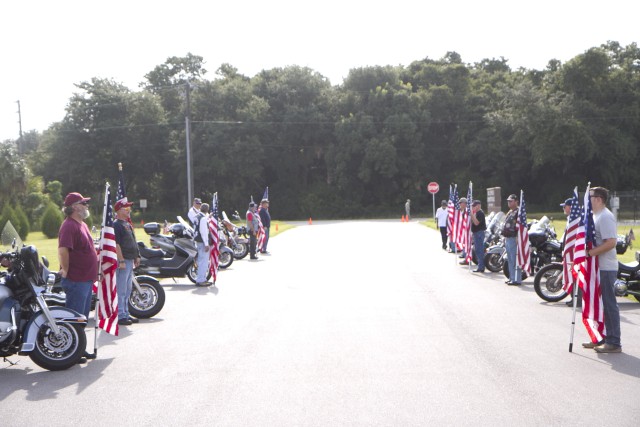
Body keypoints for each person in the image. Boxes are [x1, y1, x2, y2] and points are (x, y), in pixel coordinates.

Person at [58, 192, 98, 363]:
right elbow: (63, 250)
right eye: (83, 203)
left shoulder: (82, 224)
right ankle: (72, 352)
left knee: (81, 318)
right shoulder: (69, 226)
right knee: (75, 318)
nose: (86, 206)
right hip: (76, 279)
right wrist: (65, 269)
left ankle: (79, 349)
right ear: (74, 207)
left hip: (86, 279)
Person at [585, 187, 622, 353]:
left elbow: (611, 242)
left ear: (598, 199)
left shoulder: (605, 216)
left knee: (608, 304)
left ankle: (614, 342)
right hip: (596, 268)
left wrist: (589, 253)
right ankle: (601, 337)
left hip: (606, 268)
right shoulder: (594, 215)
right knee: (598, 304)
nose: (587, 200)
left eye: (590, 197)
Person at [113, 199, 140, 325]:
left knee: (128, 289)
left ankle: (126, 313)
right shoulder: (117, 225)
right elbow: (116, 244)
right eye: (126, 208)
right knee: (122, 289)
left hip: (130, 259)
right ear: (119, 210)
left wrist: (137, 255)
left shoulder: (127, 224)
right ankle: (120, 315)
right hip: (123, 261)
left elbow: (133, 241)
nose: (129, 211)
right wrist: (121, 260)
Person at [560, 198, 582, 307]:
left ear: (571, 207)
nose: (564, 208)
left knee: (575, 276)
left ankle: (577, 299)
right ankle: (573, 297)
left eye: (565, 206)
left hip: (574, 252)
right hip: (570, 252)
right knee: (572, 275)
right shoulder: (570, 219)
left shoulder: (576, 220)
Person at [502, 194, 521, 285]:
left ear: (516, 201)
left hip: (514, 237)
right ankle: (511, 277)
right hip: (508, 237)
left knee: (515, 259)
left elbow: (520, 226)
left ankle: (516, 279)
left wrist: (518, 236)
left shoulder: (519, 212)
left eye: (511, 201)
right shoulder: (510, 212)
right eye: (508, 201)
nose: (509, 202)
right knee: (509, 259)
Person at [193, 203, 212, 287]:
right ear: (207, 210)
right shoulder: (203, 218)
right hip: (202, 241)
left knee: (201, 260)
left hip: (198, 240)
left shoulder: (197, 216)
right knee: (203, 261)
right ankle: (201, 280)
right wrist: (207, 243)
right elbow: (203, 232)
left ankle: (202, 278)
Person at [470, 200, 487, 272]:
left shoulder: (480, 213)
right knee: (477, 250)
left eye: (474, 206)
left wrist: (471, 214)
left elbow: (476, 223)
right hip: (476, 233)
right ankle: (480, 265)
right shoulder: (477, 213)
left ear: (478, 206)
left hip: (479, 233)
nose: (473, 207)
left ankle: (481, 267)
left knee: (479, 250)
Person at [457, 197, 469, 264]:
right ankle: (463, 253)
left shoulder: (467, 211)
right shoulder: (458, 211)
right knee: (462, 242)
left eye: (463, 203)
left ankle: (466, 255)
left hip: (466, 229)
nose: (461, 204)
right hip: (460, 229)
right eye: (461, 203)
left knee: (466, 243)